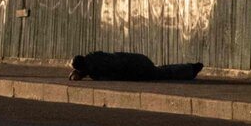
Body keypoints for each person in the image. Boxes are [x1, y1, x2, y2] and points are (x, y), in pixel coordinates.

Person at [68, 51, 203, 82]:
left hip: (137, 68)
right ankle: (190, 68)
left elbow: (112, 76)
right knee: (162, 71)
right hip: (136, 61)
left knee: (164, 73)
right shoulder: (93, 58)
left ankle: (191, 69)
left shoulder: (96, 68)